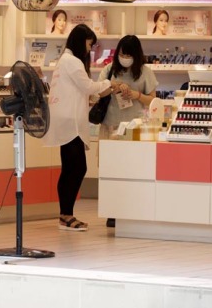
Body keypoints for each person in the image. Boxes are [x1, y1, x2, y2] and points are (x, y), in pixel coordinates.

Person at [43, 23, 112, 231]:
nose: (89, 49)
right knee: (77, 168)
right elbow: (88, 87)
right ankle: (66, 214)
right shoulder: (72, 61)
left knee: (70, 169)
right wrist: (109, 85)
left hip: (65, 120)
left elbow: (78, 91)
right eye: (89, 44)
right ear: (81, 41)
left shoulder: (65, 60)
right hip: (70, 123)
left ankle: (65, 215)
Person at [97, 35, 158, 228]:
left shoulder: (145, 72)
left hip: (135, 130)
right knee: (109, 171)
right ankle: (112, 211)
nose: (125, 58)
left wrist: (136, 94)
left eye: (128, 55)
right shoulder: (108, 70)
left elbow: (153, 100)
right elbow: (98, 92)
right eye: (122, 54)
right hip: (110, 127)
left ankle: (132, 210)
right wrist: (112, 87)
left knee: (133, 171)